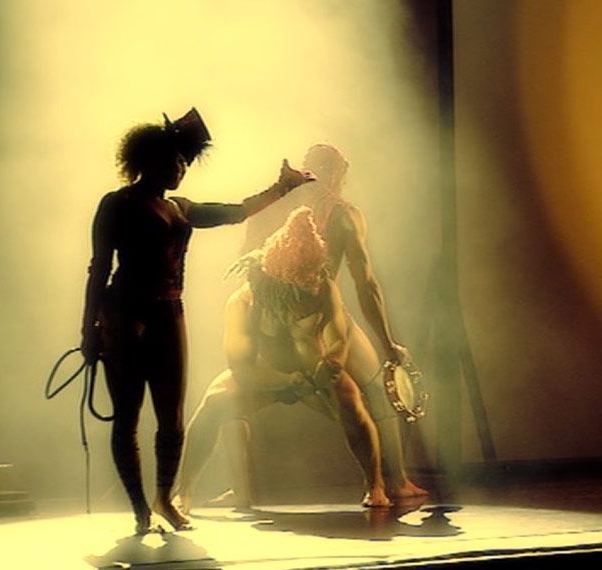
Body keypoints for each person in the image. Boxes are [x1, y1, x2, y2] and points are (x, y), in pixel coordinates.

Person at [80, 109, 313, 534]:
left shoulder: (180, 208)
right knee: (127, 417)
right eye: (175, 161)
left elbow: (237, 212)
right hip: (124, 315)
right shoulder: (118, 204)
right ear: (148, 160)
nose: (181, 168)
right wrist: (89, 331)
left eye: (184, 161)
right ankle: (140, 510)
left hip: (169, 314)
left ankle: (163, 499)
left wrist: (283, 187)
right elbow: (99, 268)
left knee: (172, 418)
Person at [173, 207, 426, 511]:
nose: (313, 283)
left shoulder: (323, 288)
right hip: (266, 377)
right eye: (305, 280)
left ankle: (377, 486)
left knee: (352, 402)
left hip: (314, 375)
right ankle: (184, 493)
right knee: (214, 401)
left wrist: (332, 362)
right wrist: (285, 381)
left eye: (315, 276)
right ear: (280, 277)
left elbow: (338, 338)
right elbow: (241, 368)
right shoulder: (243, 302)